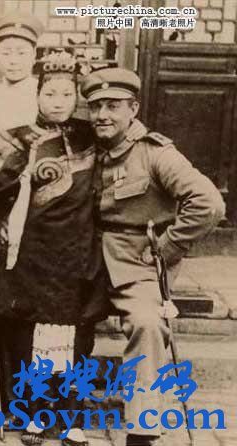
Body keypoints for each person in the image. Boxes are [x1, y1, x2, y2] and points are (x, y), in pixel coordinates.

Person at [82, 68, 225, 446]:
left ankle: (142, 428)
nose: (102, 115)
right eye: (95, 106)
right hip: (87, 259)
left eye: (113, 106)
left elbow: (209, 204)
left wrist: (167, 247)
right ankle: (51, 406)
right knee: (53, 311)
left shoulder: (156, 153)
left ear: (134, 109)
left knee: (147, 324)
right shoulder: (86, 148)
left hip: (138, 263)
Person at [0, 53, 106, 446]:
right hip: (34, 253)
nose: (58, 102)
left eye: (66, 94)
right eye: (50, 93)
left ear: (77, 97)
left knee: (77, 336)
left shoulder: (92, 137)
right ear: (37, 95)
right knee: (31, 335)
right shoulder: (20, 139)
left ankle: (73, 417)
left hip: (79, 251)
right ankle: (36, 415)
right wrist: (19, 172)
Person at [0, 11, 44, 132]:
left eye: (21, 53)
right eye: (6, 53)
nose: (13, 61)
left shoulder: (44, 94)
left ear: (34, 54)